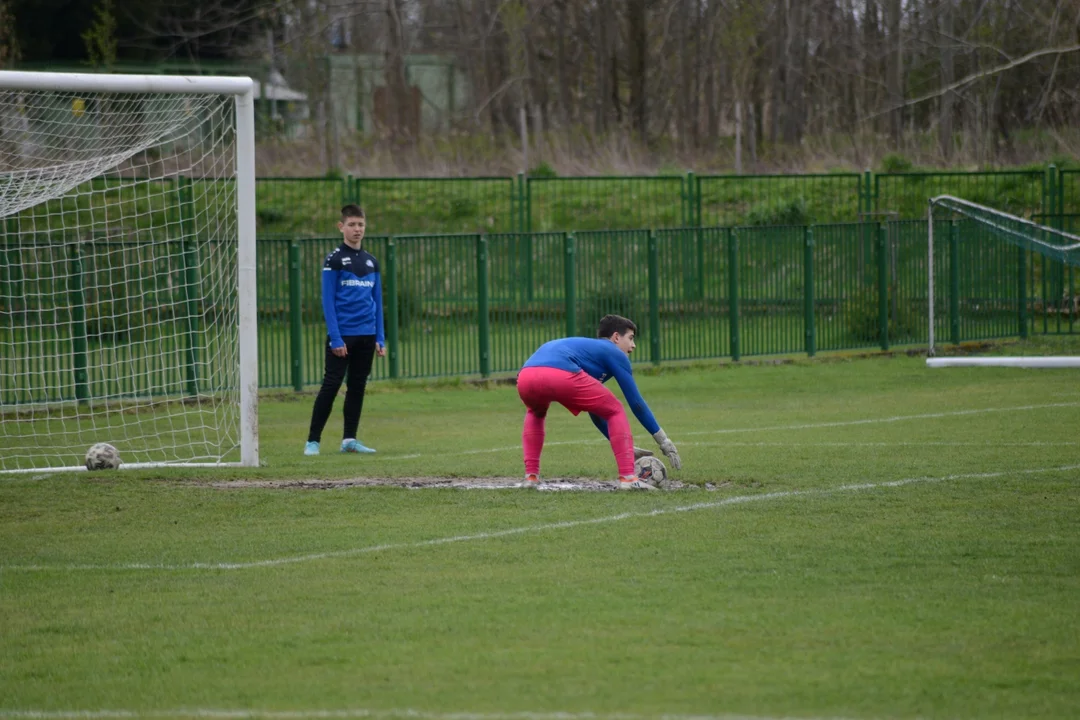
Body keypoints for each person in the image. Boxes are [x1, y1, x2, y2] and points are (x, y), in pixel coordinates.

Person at [515, 314, 682, 489]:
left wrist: (623, 446)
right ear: (616, 337)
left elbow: (596, 410)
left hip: (526, 376)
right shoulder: (613, 351)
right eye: (631, 338)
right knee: (616, 409)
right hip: (559, 372)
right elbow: (636, 403)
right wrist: (663, 440)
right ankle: (628, 478)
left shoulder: (589, 351)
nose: (633, 346)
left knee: (536, 412)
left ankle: (531, 478)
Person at [304, 204, 386, 456]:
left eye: (360, 224)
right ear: (341, 227)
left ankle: (349, 439)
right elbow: (328, 301)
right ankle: (313, 441)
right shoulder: (334, 260)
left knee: (357, 387)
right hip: (342, 337)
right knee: (330, 385)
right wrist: (336, 337)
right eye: (351, 224)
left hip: (367, 336)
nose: (357, 229)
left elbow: (378, 301)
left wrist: (380, 337)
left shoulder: (371, 262)